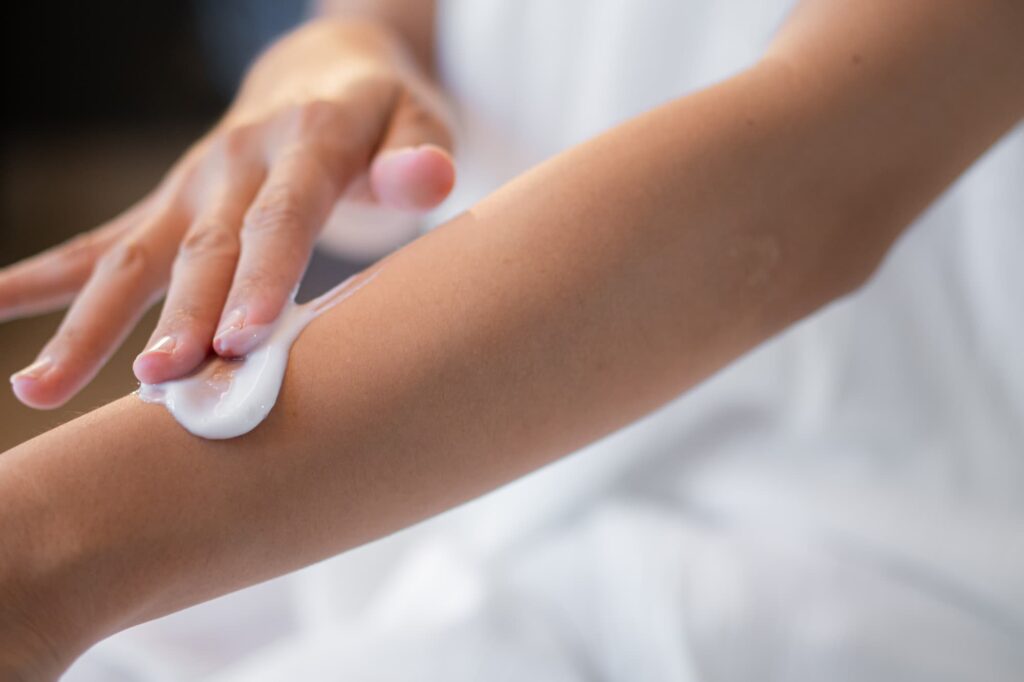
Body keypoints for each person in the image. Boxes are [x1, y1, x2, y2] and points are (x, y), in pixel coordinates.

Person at [1, 0, 1021, 679]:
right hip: (448, 506)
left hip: (848, 557)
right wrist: (342, 60)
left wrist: (47, 548)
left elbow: (795, 194)